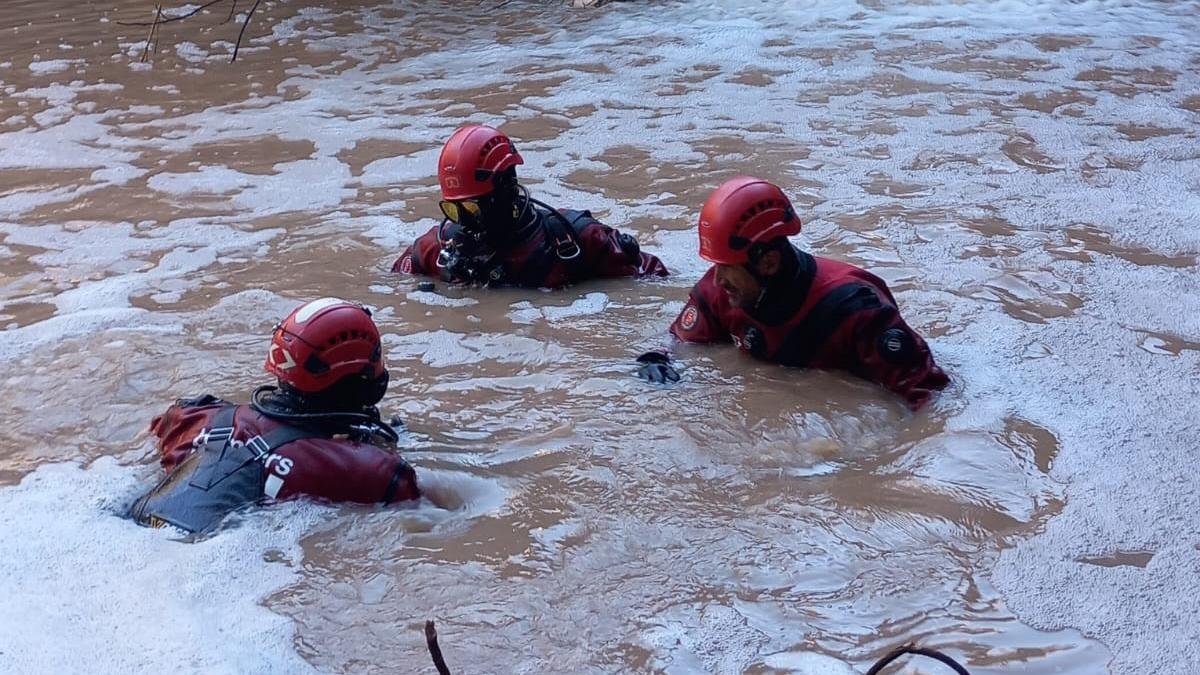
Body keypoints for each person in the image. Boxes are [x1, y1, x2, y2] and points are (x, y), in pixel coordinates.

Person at [635, 176, 949, 410]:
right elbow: (677, 340)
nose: (717, 279)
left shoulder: (857, 310)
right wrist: (656, 358)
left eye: (726, 267)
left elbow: (931, 401)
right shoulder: (721, 291)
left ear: (768, 263)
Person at [130, 298, 420, 535]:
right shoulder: (375, 471)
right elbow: (428, 516)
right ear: (359, 378)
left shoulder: (192, 415)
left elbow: (145, 443)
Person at [392, 124, 669, 288]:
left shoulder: (574, 240)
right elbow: (392, 288)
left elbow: (656, 282)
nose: (464, 221)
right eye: (454, 210)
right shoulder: (436, 248)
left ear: (505, 190)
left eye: (472, 209)